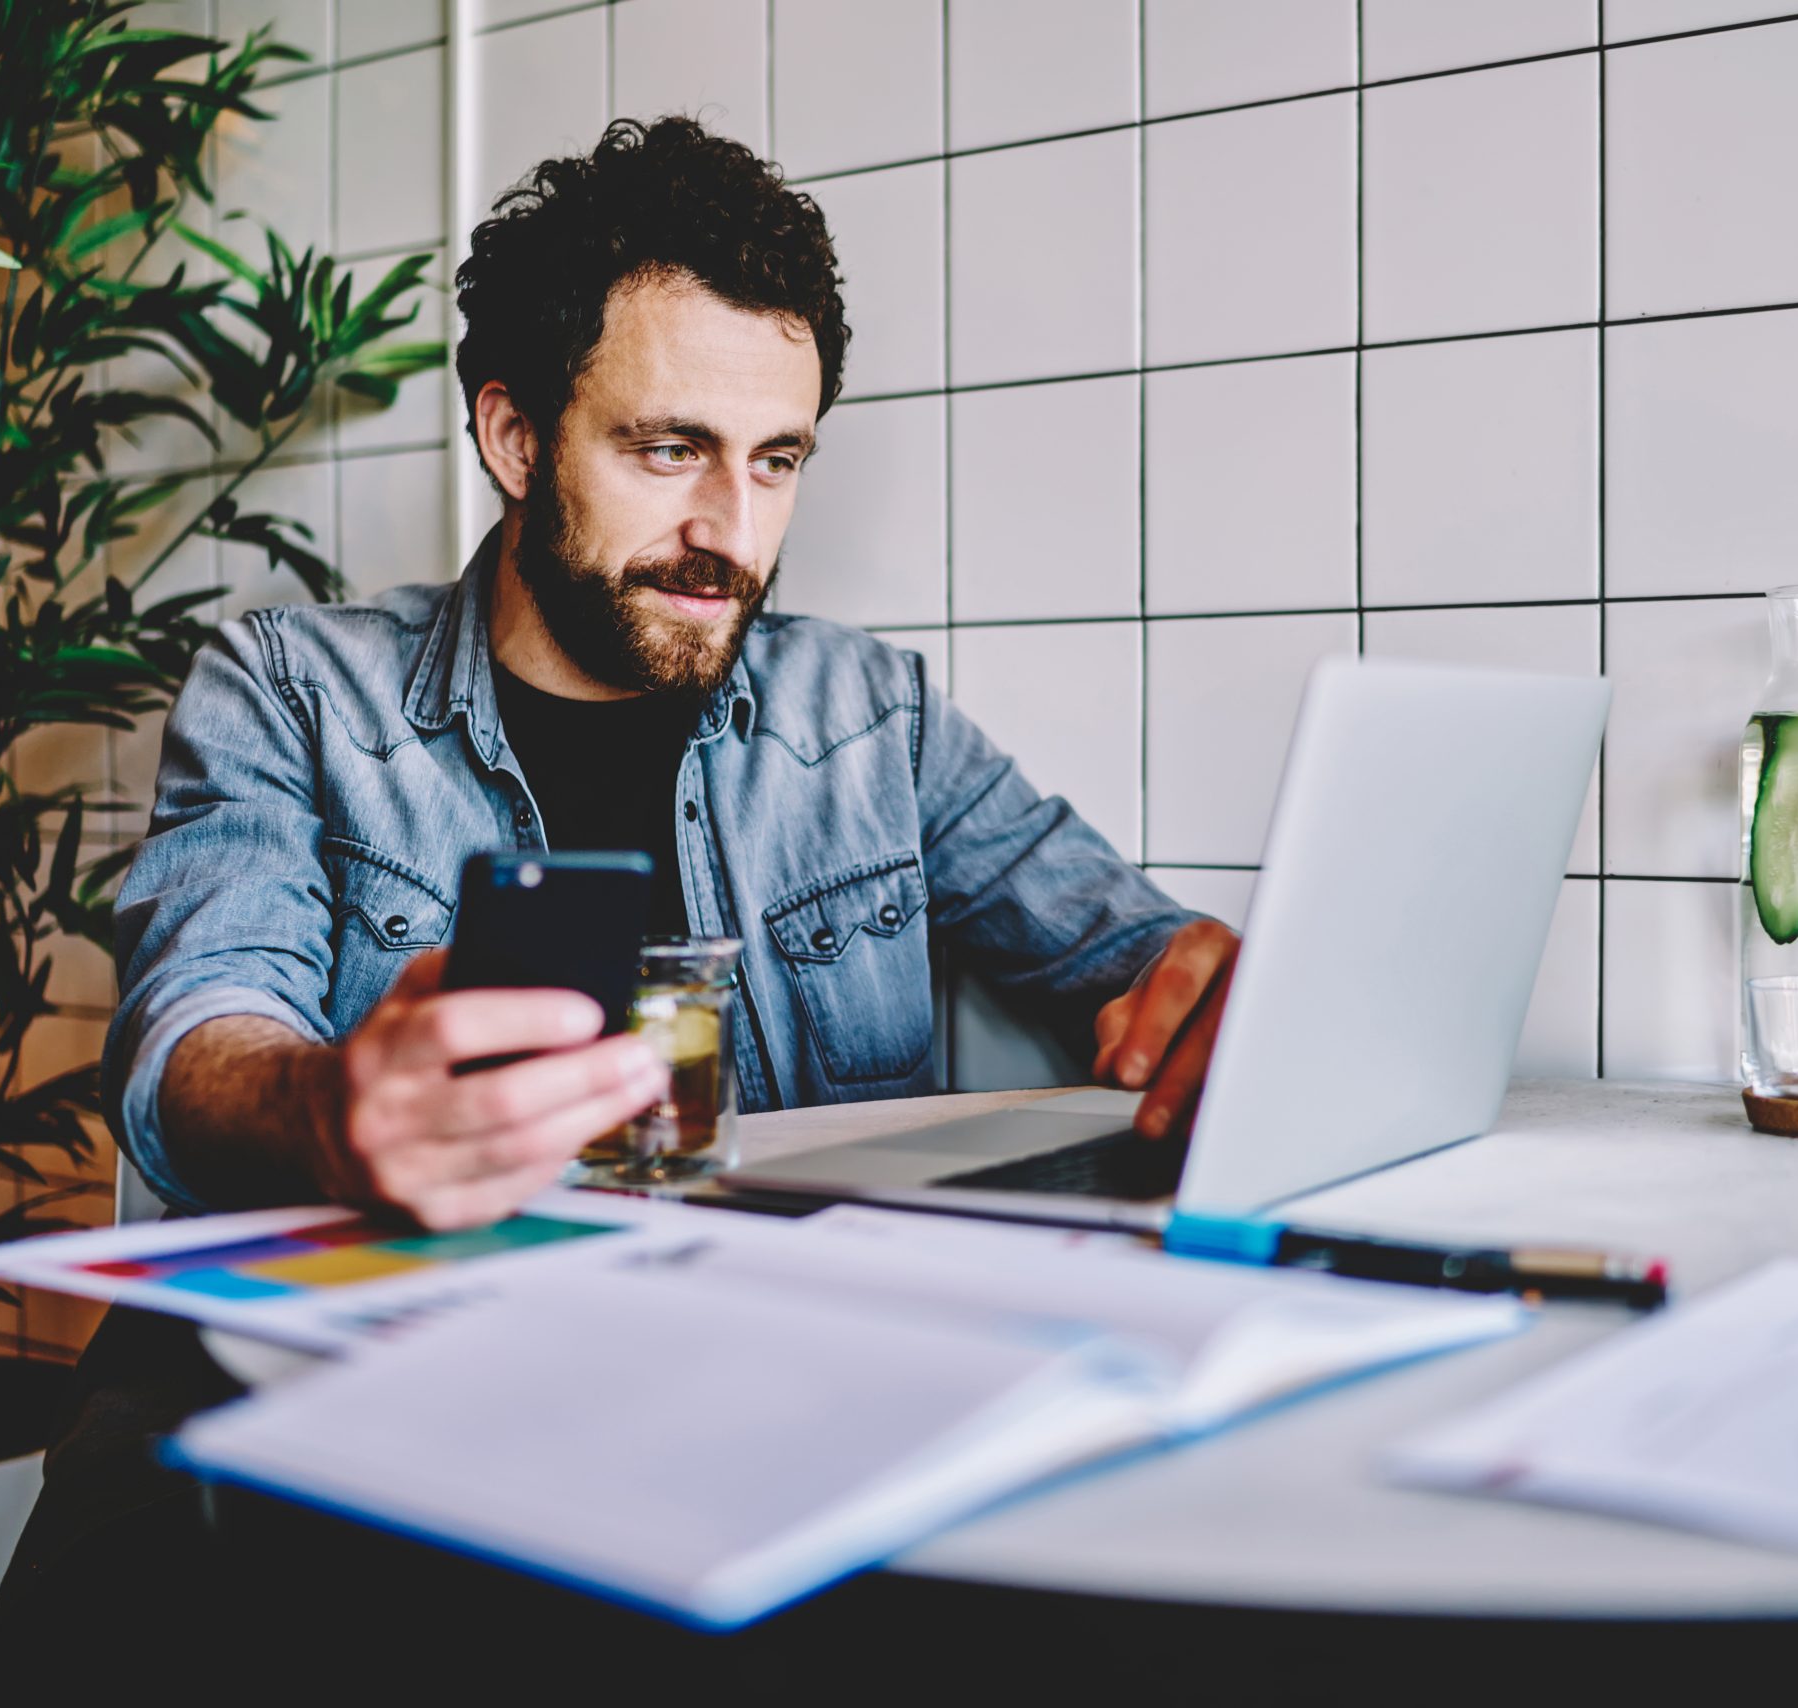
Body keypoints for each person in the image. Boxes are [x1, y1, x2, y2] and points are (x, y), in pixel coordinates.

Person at [108, 114, 1239, 1230]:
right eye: (671, 450)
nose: (734, 537)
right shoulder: (292, 694)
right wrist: (320, 1107)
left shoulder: (868, 719)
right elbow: (192, 1040)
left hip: (778, 1363)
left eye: (776, 460)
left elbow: (1141, 964)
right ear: (515, 439)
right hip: (411, 1354)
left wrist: (1219, 1000)